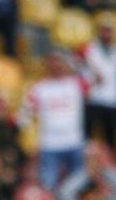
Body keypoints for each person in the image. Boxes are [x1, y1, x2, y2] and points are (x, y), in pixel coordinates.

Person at [24, 52, 88, 190]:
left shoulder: (76, 84)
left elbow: (98, 79)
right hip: (50, 144)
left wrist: (78, 62)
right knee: (49, 184)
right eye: (52, 62)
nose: (56, 66)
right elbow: (26, 113)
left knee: (78, 186)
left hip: (74, 141)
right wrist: (31, 140)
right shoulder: (40, 88)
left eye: (59, 62)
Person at [82, 19, 116, 154]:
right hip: (94, 97)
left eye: (109, 31)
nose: (107, 34)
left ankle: (110, 161)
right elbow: (78, 67)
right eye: (104, 31)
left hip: (112, 99)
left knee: (111, 136)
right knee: (87, 134)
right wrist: (90, 78)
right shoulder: (90, 48)